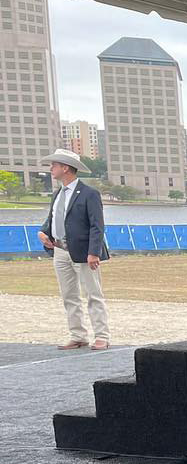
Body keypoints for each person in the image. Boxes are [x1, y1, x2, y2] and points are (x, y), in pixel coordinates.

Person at [38, 149, 110, 350]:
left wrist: (93, 252)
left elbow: (97, 225)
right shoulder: (58, 194)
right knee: (69, 295)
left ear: (65, 168)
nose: (51, 168)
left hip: (84, 252)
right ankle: (78, 335)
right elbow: (53, 219)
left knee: (93, 294)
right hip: (60, 251)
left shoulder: (89, 194)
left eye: (54, 165)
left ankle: (102, 335)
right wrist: (43, 233)